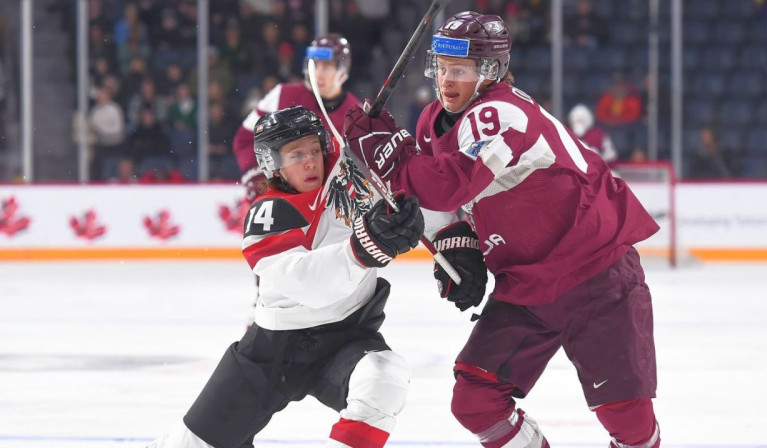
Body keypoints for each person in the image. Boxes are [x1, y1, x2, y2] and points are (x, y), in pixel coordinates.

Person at [343, 11, 661, 448]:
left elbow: (448, 184)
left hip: (595, 274)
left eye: (460, 70)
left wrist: (388, 156)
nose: (446, 79)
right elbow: (445, 205)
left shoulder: (502, 114)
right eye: (441, 67)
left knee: (628, 420)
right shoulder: (433, 121)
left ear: (490, 71)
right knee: (474, 400)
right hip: (526, 285)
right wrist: (457, 244)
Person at [147, 106, 425, 448]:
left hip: (346, 337)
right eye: (296, 155)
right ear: (271, 164)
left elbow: (412, 187)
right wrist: (365, 248)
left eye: (313, 150)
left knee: (384, 377)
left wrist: (453, 240)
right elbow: (310, 285)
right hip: (274, 351)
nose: (310, 161)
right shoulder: (269, 213)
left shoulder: (349, 170)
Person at [233, 33, 361, 203]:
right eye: (314, 65)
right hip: (279, 198)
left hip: (329, 209)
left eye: (327, 67)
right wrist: (257, 178)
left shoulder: (357, 115)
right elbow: (244, 139)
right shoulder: (282, 94)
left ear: (342, 70)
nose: (318, 74)